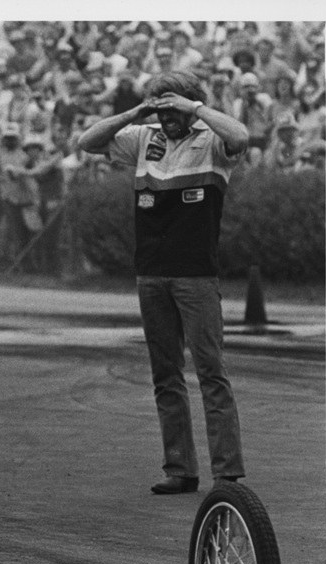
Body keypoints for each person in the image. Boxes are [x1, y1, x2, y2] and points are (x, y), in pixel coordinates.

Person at [76, 71, 250, 495]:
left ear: (190, 106)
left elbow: (241, 136)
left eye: (173, 108)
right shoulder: (143, 139)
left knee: (211, 371)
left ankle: (226, 472)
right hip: (151, 272)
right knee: (165, 374)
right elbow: (87, 142)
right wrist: (139, 111)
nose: (166, 116)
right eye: (161, 107)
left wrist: (194, 108)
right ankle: (180, 469)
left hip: (196, 274)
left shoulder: (211, 139)